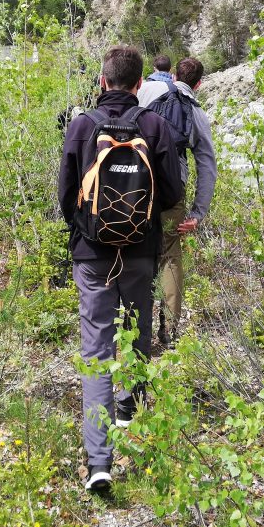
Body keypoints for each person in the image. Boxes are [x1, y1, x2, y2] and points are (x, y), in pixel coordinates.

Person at [58, 46, 183, 494]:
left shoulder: (81, 126)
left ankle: (99, 463)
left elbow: (65, 195)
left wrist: (87, 230)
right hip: (141, 251)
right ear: (139, 84)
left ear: (102, 81)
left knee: (96, 350)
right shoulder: (155, 125)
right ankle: (130, 408)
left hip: (92, 255)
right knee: (137, 327)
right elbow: (172, 193)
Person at [137, 57, 218, 345]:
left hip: (138, 185)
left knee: (138, 252)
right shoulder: (196, 112)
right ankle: (169, 331)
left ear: (173, 76)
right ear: (198, 84)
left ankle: (136, 331)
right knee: (170, 255)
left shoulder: (146, 91)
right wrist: (197, 212)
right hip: (173, 189)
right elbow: (207, 165)